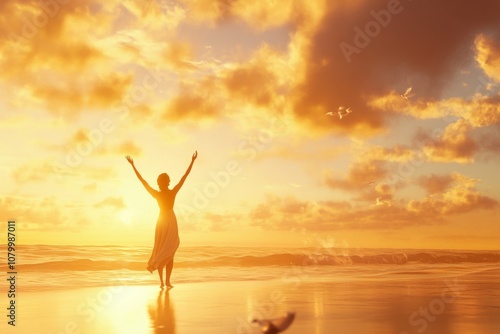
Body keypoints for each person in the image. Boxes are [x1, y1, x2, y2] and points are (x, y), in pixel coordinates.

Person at [125, 151, 197, 288]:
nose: (164, 184)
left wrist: (133, 165)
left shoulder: (159, 194)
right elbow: (184, 177)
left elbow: (143, 182)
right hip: (168, 220)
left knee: (165, 251)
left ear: (160, 183)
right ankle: (165, 281)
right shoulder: (171, 192)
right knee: (167, 252)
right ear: (166, 182)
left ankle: (163, 282)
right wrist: (192, 161)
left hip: (163, 221)